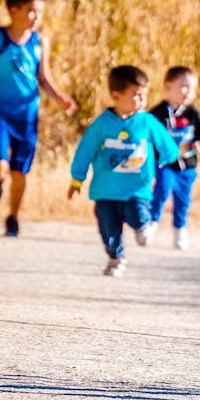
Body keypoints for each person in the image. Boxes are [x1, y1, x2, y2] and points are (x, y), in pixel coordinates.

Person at [0, 0, 77, 237]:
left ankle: (13, 217)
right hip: (0, 113)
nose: (37, 17)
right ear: (13, 10)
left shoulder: (40, 41)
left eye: (39, 12)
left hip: (27, 115)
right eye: (31, 11)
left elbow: (44, 77)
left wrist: (60, 97)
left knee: (20, 170)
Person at [68, 66, 179, 277]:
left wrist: (167, 157)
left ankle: (143, 226)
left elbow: (166, 144)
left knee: (137, 215)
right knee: (108, 228)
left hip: (137, 189)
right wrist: (76, 179)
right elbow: (85, 151)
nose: (142, 100)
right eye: (136, 95)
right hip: (105, 191)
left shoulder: (146, 121)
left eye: (144, 95)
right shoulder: (102, 124)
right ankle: (115, 259)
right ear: (116, 96)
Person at [147, 66, 200, 250]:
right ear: (168, 86)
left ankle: (179, 229)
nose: (188, 92)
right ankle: (151, 223)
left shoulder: (193, 114)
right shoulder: (157, 113)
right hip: (165, 163)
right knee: (162, 190)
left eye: (191, 89)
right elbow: (148, 135)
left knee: (183, 199)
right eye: (183, 87)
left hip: (187, 165)